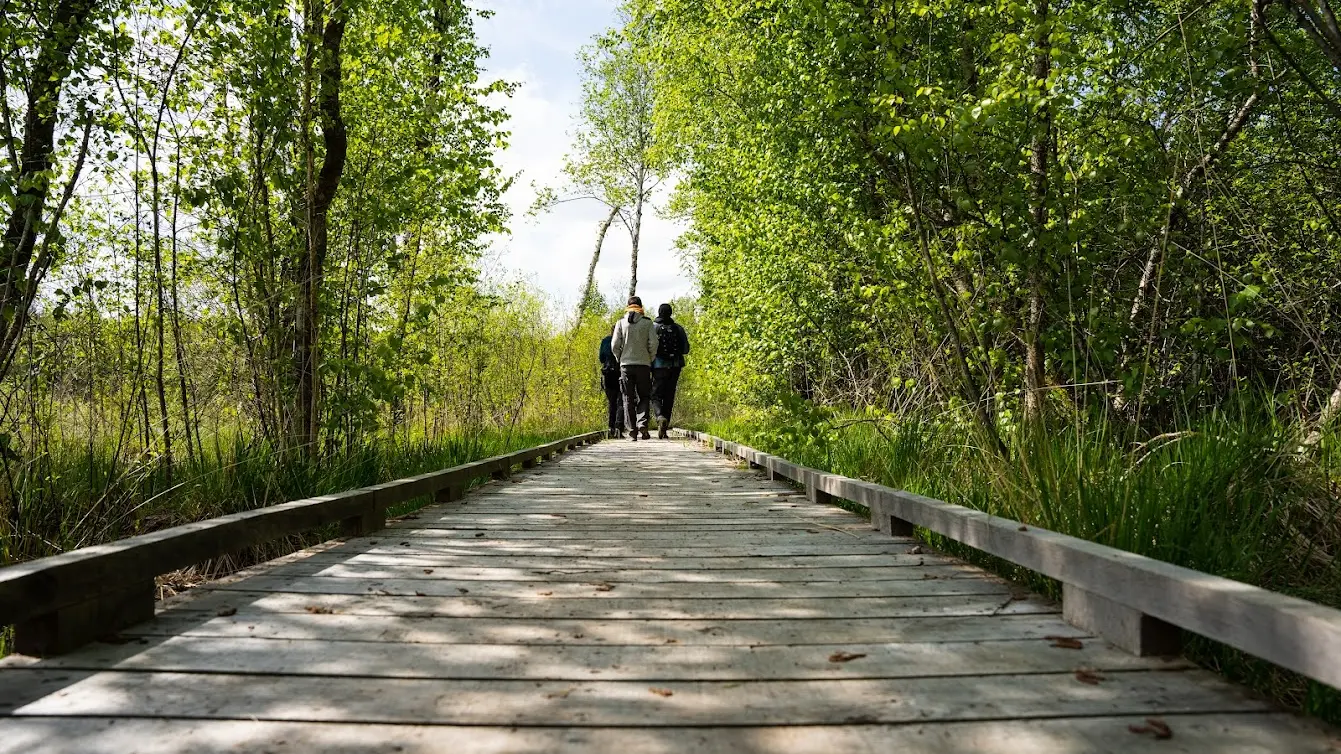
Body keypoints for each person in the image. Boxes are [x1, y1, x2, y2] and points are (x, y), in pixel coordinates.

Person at [611, 295, 658, 441]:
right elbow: (654, 343)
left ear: (628, 306)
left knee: (627, 398)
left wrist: (620, 358)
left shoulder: (620, 323)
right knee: (644, 396)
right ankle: (642, 423)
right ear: (640, 307)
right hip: (643, 365)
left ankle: (632, 431)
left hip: (626, 365)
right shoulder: (647, 323)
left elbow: (614, 345)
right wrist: (650, 358)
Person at [651, 303, 690, 439]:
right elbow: (686, 349)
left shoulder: (654, 327)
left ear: (659, 312)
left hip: (658, 366)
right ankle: (665, 427)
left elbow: (650, 347)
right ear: (671, 313)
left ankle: (660, 416)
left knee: (655, 395)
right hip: (675, 366)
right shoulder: (678, 328)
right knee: (669, 396)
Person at [598, 323, 624, 439]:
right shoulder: (624, 342)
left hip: (608, 374)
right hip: (621, 372)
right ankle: (619, 427)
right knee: (621, 401)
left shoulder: (605, 341)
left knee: (612, 402)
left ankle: (611, 427)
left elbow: (601, 358)